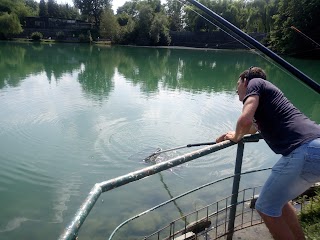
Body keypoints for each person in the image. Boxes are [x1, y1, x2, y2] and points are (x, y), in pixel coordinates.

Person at [216, 67, 320, 240]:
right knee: (279, 201)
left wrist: (236, 137)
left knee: (265, 207)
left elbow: (244, 120)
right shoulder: (268, 100)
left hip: (302, 151)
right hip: (314, 148)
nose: (236, 90)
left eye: (237, 84)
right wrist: (231, 134)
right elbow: (252, 126)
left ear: (244, 80)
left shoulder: (255, 83)